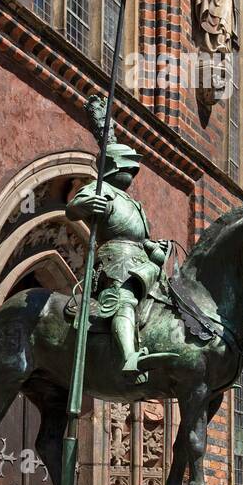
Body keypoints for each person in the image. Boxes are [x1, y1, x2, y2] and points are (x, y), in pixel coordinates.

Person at [65, 141, 169, 384]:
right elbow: (72, 209)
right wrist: (86, 204)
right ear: (113, 167)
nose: (131, 172)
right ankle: (128, 358)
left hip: (142, 263)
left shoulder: (135, 203)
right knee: (124, 301)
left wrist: (155, 247)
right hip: (115, 261)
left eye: (133, 169)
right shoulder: (100, 188)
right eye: (127, 166)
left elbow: (142, 239)